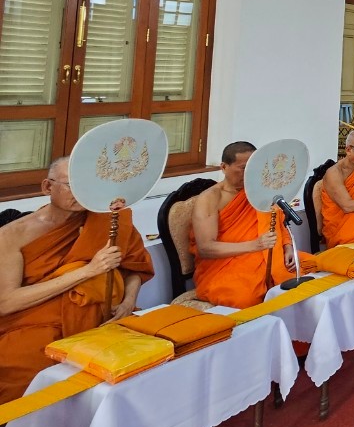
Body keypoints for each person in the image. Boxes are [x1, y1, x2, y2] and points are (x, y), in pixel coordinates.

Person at [0, 157, 154, 404]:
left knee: (150, 360)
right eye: (72, 185)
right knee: (24, 373)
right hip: (37, 322)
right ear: (47, 187)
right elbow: (6, 302)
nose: (82, 193)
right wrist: (87, 271)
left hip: (105, 318)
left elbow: (133, 266)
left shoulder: (110, 219)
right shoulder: (12, 235)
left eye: (87, 184)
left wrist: (128, 302)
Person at [191, 141, 295, 309]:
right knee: (245, 298)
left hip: (267, 255)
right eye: (243, 168)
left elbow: (276, 220)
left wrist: (287, 246)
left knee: (306, 274)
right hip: (226, 265)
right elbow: (206, 248)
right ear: (224, 167)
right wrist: (255, 245)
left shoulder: (261, 190)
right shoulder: (210, 198)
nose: (249, 174)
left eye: (253, 167)